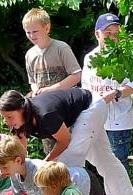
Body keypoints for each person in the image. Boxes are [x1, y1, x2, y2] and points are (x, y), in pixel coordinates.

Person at [0, 88, 133, 195]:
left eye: (10, 117)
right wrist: (12, 167)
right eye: (4, 118)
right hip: (83, 112)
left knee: (64, 167)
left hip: (91, 107)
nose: (7, 122)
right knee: (106, 162)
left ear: (22, 108)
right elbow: (21, 154)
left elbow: (65, 141)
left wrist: (46, 163)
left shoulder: (45, 114)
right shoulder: (21, 121)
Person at [0, 135, 111, 195]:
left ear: (18, 160)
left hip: (86, 187)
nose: (1, 172)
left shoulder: (37, 171)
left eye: (4, 167)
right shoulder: (14, 174)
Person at [82, 13, 133, 171]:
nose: (112, 37)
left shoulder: (127, 56)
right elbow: (86, 88)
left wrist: (116, 93)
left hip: (118, 122)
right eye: (108, 33)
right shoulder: (90, 58)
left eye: (116, 34)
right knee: (99, 164)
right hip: (96, 119)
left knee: (118, 163)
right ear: (97, 34)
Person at [22, 8, 82, 154]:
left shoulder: (61, 48)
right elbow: (32, 81)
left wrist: (52, 89)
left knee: (72, 153)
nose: (31, 35)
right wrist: (35, 89)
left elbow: (76, 75)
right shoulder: (30, 55)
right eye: (28, 32)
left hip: (66, 110)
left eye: (35, 31)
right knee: (52, 155)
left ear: (47, 28)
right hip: (45, 113)